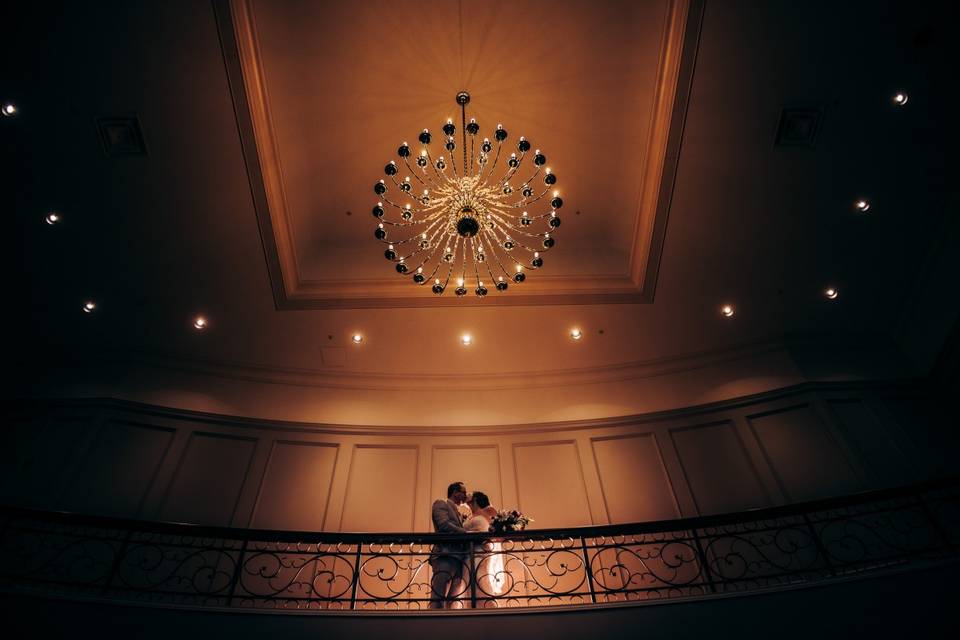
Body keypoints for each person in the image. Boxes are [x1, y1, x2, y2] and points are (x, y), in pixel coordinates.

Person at [429, 481, 469, 609]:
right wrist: (465, 532)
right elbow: (444, 524)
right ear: (455, 492)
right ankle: (434, 623)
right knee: (439, 595)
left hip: (458, 558)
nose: (465, 495)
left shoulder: (458, 511)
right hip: (444, 555)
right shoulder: (441, 503)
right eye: (463, 492)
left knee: (454, 597)